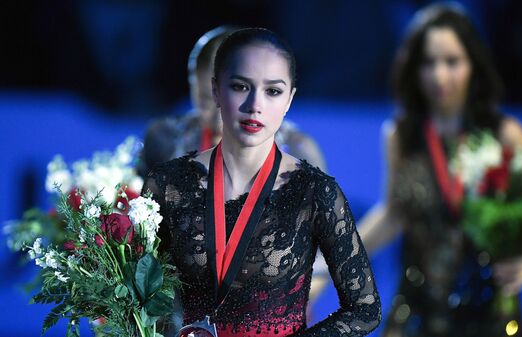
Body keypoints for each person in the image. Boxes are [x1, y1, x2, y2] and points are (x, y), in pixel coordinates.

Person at [143, 27, 381, 337]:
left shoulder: (314, 183)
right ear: (215, 90)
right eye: (239, 87)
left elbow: (364, 308)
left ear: (290, 98)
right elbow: (144, 278)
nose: (253, 104)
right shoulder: (167, 169)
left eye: (272, 91)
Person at [357, 4, 522, 337]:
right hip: (416, 310)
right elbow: (394, 214)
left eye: (452, 62)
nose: (439, 76)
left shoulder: (505, 134)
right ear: (413, 68)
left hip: (491, 313)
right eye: (428, 63)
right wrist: (334, 258)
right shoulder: (401, 135)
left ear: (473, 64)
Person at [137, 26, 327, 178]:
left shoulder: (297, 149)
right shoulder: (166, 139)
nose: (218, 114)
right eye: (205, 99)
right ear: (192, 88)